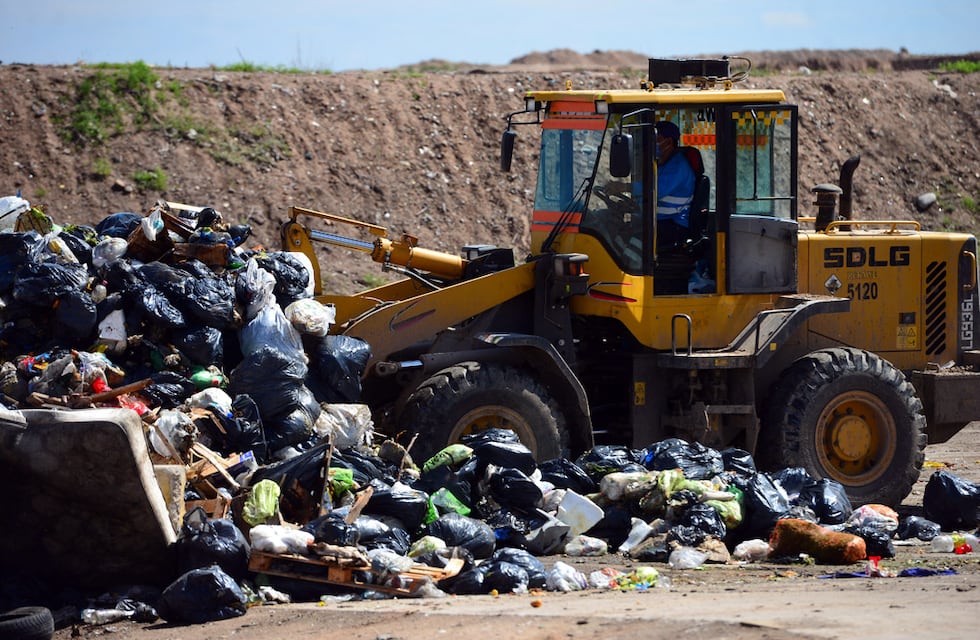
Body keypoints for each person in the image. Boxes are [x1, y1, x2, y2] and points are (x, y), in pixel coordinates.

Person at [653, 120, 695, 248]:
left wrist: (626, 187)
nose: (652, 144)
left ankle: (631, 268)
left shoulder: (678, 166)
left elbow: (655, 191)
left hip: (674, 225)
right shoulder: (661, 165)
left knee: (635, 238)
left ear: (669, 142)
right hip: (662, 222)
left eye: (657, 139)